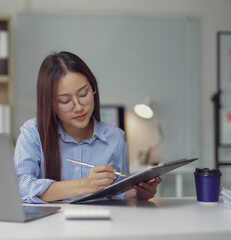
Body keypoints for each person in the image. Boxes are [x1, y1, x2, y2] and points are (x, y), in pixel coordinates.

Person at [13, 51, 162, 203]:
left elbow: (117, 193)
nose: (78, 107)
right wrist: (84, 184)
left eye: (84, 94)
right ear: (49, 103)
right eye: (65, 101)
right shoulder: (33, 133)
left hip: (102, 224)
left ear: (93, 89)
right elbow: (19, 187)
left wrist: (139, 194)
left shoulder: (115, 138)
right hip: (49, 225)